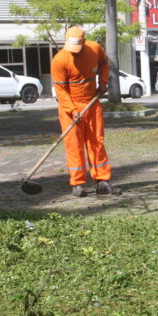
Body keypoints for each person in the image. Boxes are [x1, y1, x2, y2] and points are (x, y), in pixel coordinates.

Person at [51, 26, 119, 197]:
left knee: (97, 142)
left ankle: (102, 181)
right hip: (70, 107)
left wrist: (103, 82)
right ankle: (78, 184)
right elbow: (61, 91)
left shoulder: (94, 48)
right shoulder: (59, 60)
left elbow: (104, 64)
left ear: (84, 41)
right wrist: (72, 110)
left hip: (92, 103)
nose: (74, 52)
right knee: (74, 145)